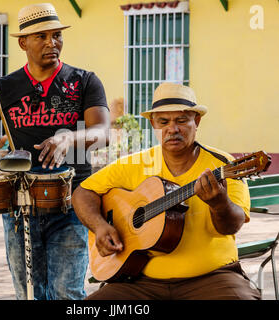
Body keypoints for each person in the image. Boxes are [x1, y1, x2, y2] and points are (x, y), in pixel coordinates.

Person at [0, 3, 110, 300]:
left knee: (67, 294)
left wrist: (70, 139)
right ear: (23, 43)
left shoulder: (83, 82)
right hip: (19, 205)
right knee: (28, 294)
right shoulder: (2, 89)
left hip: (73, 201)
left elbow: (102, 132)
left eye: (56, 35)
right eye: (41, 36)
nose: (51, 43)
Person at [72, 82, 261, 300]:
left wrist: (219, 204)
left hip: (210, 278)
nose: (172, 129)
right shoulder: (135, 164)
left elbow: (231, 226)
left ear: (196, 121)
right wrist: (101, 226)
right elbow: (83, 192)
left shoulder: (223, 166)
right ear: (153, 124)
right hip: (139, 281)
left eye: (181, 120)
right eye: (163, 122)